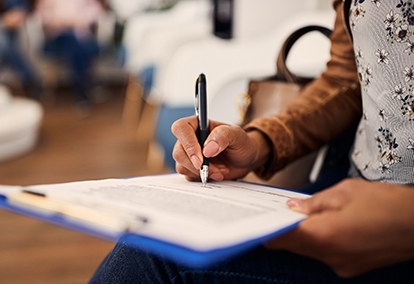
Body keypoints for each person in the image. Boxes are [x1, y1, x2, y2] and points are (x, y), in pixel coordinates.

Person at [90, 0, 414, 282]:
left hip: (388, 230)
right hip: (349, 188)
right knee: (158, 241)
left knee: (155, 262)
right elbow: (346, 78)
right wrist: (259, 142)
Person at [35, 0, 106, 108]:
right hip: (57, 36)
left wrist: (81, 20)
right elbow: (42, 14)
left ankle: (82, 92)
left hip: (80, 35)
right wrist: (62, 22)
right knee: (75, 43)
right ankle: (86, 88)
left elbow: (96, 11)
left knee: (76, 46)